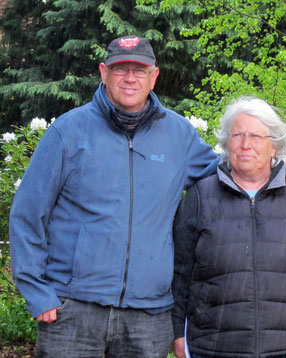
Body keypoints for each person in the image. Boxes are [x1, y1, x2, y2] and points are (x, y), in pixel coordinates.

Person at [9, 35, 222, 357]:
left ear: (154, 76)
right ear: (103, 72)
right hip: (73, 309)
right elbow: (28, 214)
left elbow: (232, 173)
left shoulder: (179, 136)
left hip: (148, 316)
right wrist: (37, 292)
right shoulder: (69, 131)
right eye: (121, 69)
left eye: (139, 70)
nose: (130, 78)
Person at [171, 97, 286, 358]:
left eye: (255, 136)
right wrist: (177, 332)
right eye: (237, 135)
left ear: (274, 146)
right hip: (215, 346)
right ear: (226, 143)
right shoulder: (200, 196)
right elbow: (180, 271)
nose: (245, 144)